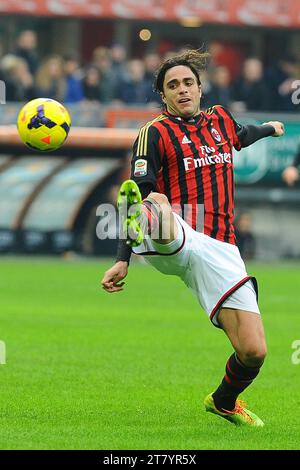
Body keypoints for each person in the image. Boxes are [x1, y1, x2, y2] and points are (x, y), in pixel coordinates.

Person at [101, 50, 285, 427]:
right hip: (175, 236)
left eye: (187, 83)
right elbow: (138, 190)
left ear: (200, 88)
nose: (181, 90)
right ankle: (147, 231)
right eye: (172, 86)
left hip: (221, 248)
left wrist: (269, 128)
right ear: (163, 96)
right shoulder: (154, 133)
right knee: (154, 198)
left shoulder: (220, 119)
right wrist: (123, 257)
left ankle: (223, 401)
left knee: (254, 351)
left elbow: (242, 135)